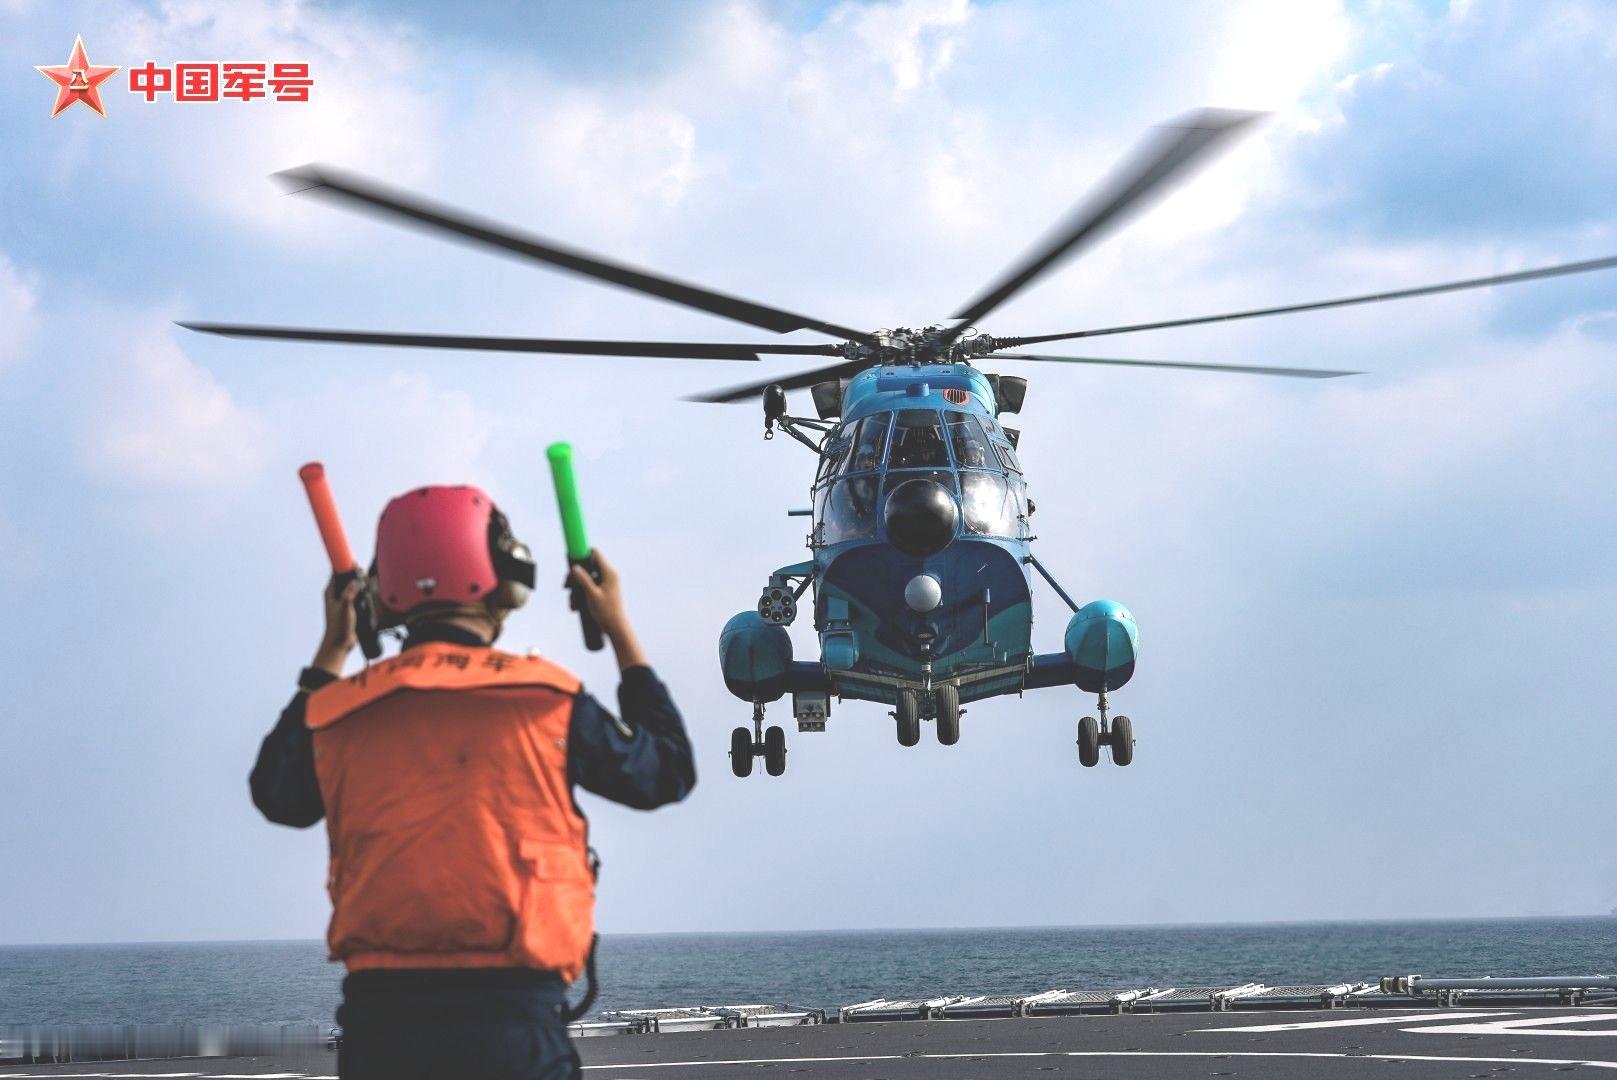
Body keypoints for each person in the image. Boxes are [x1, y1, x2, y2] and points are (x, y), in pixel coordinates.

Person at [250, 484, 696, 1080]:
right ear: (505, 580)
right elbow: (667, 771)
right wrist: (617, 628)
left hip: (381, 1032)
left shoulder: (336, 715)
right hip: (515, 1025)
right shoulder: (548, 702)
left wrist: (331, 652)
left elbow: (276, 795)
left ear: (384, 595)